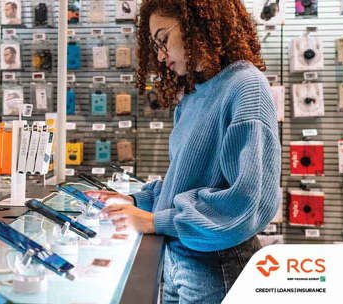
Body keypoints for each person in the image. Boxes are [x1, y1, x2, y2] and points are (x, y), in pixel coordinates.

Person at [85, 0, 281, 303]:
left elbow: (246, 200)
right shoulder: (192, 96)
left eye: (163, 40)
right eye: (155, 46)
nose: (161, 56)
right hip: (179, 259)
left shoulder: (246, 86)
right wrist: (136, 200)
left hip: (217, 265)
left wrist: (153, 221)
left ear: (197, 23)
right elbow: (184, 183)